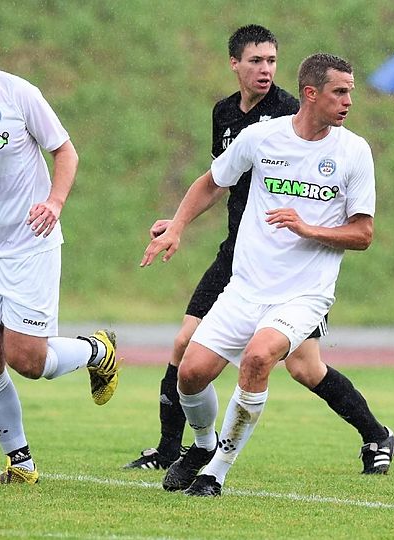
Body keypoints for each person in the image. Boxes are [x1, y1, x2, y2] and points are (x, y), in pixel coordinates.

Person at [140, 53, 394, 497]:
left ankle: (215, 473)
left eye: (351, 91)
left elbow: (364, 233)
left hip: (303, 295)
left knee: (261, 359)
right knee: (190, 373)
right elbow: (212, 181)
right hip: (246, 288)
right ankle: (202, 447)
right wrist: (177, 225)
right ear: (311, 93)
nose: (349, 101)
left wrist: (307, 227)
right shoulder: (261, 138)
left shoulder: (353, 151)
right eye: (340, 91)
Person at [124, 24, 299, 470]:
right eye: (256, 61)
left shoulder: (290, 113)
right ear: (234, 64)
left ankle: (375, 435)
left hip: (283, 260)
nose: (265, 70)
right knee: (184, 342)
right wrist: (178, 223)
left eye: (272, 61)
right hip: (235, 250)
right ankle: (173, 448)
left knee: (308, 369)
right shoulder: (224, 112)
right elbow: (216, 180)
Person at [0, 13, 121, 485]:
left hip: (28, 244)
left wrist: (55, 201)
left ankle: (95, 350)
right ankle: (20, 465)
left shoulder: (18, 94)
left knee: (27, 361)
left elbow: (65, 151)